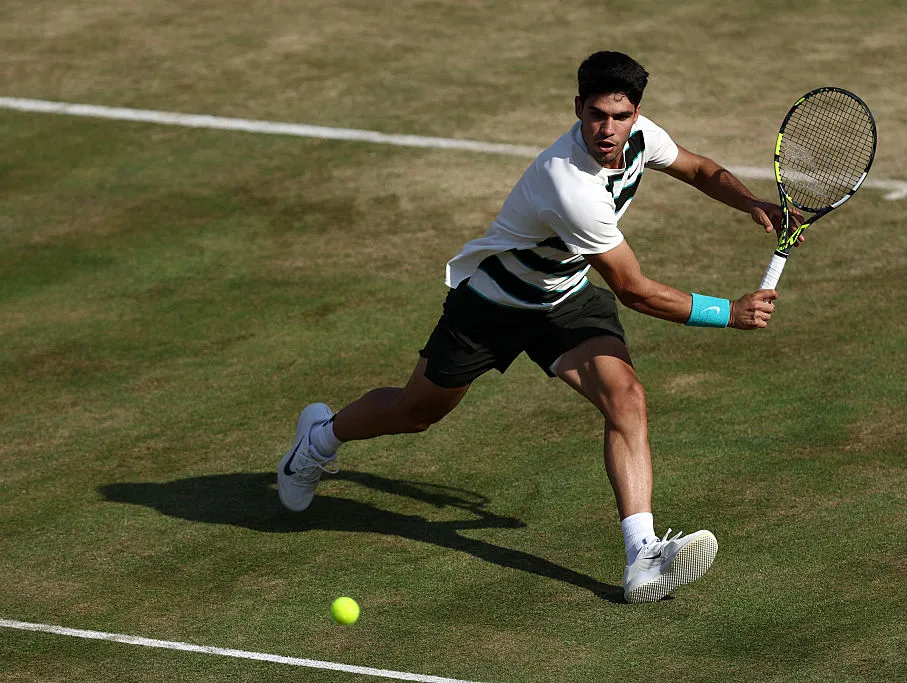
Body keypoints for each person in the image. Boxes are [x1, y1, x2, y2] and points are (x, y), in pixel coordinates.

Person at [277, 51, 795, 604]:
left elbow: (695, 167)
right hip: (492, 305)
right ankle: (317, 441)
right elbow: (632, 288)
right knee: (417, 411)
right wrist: (728, 312)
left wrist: (751, 202)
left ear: (636, 112)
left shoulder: (641, 137)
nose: (608, 129)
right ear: (578, 108)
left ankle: (641, 555)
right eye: (596, 114)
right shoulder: (567, 183)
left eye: (620, 117)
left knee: (627, 399)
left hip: (564, 296)